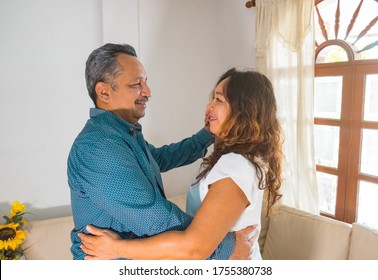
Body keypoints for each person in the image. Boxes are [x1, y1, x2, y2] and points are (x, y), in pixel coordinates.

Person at [67, 43, 253, 260]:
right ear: (104, 92)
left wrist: (210, 131)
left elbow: (162, 158)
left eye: (146, 82)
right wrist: (225, 247)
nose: (148, 92)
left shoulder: (123, 136)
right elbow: (155, 219)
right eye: (137, 84)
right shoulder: (98, 147)